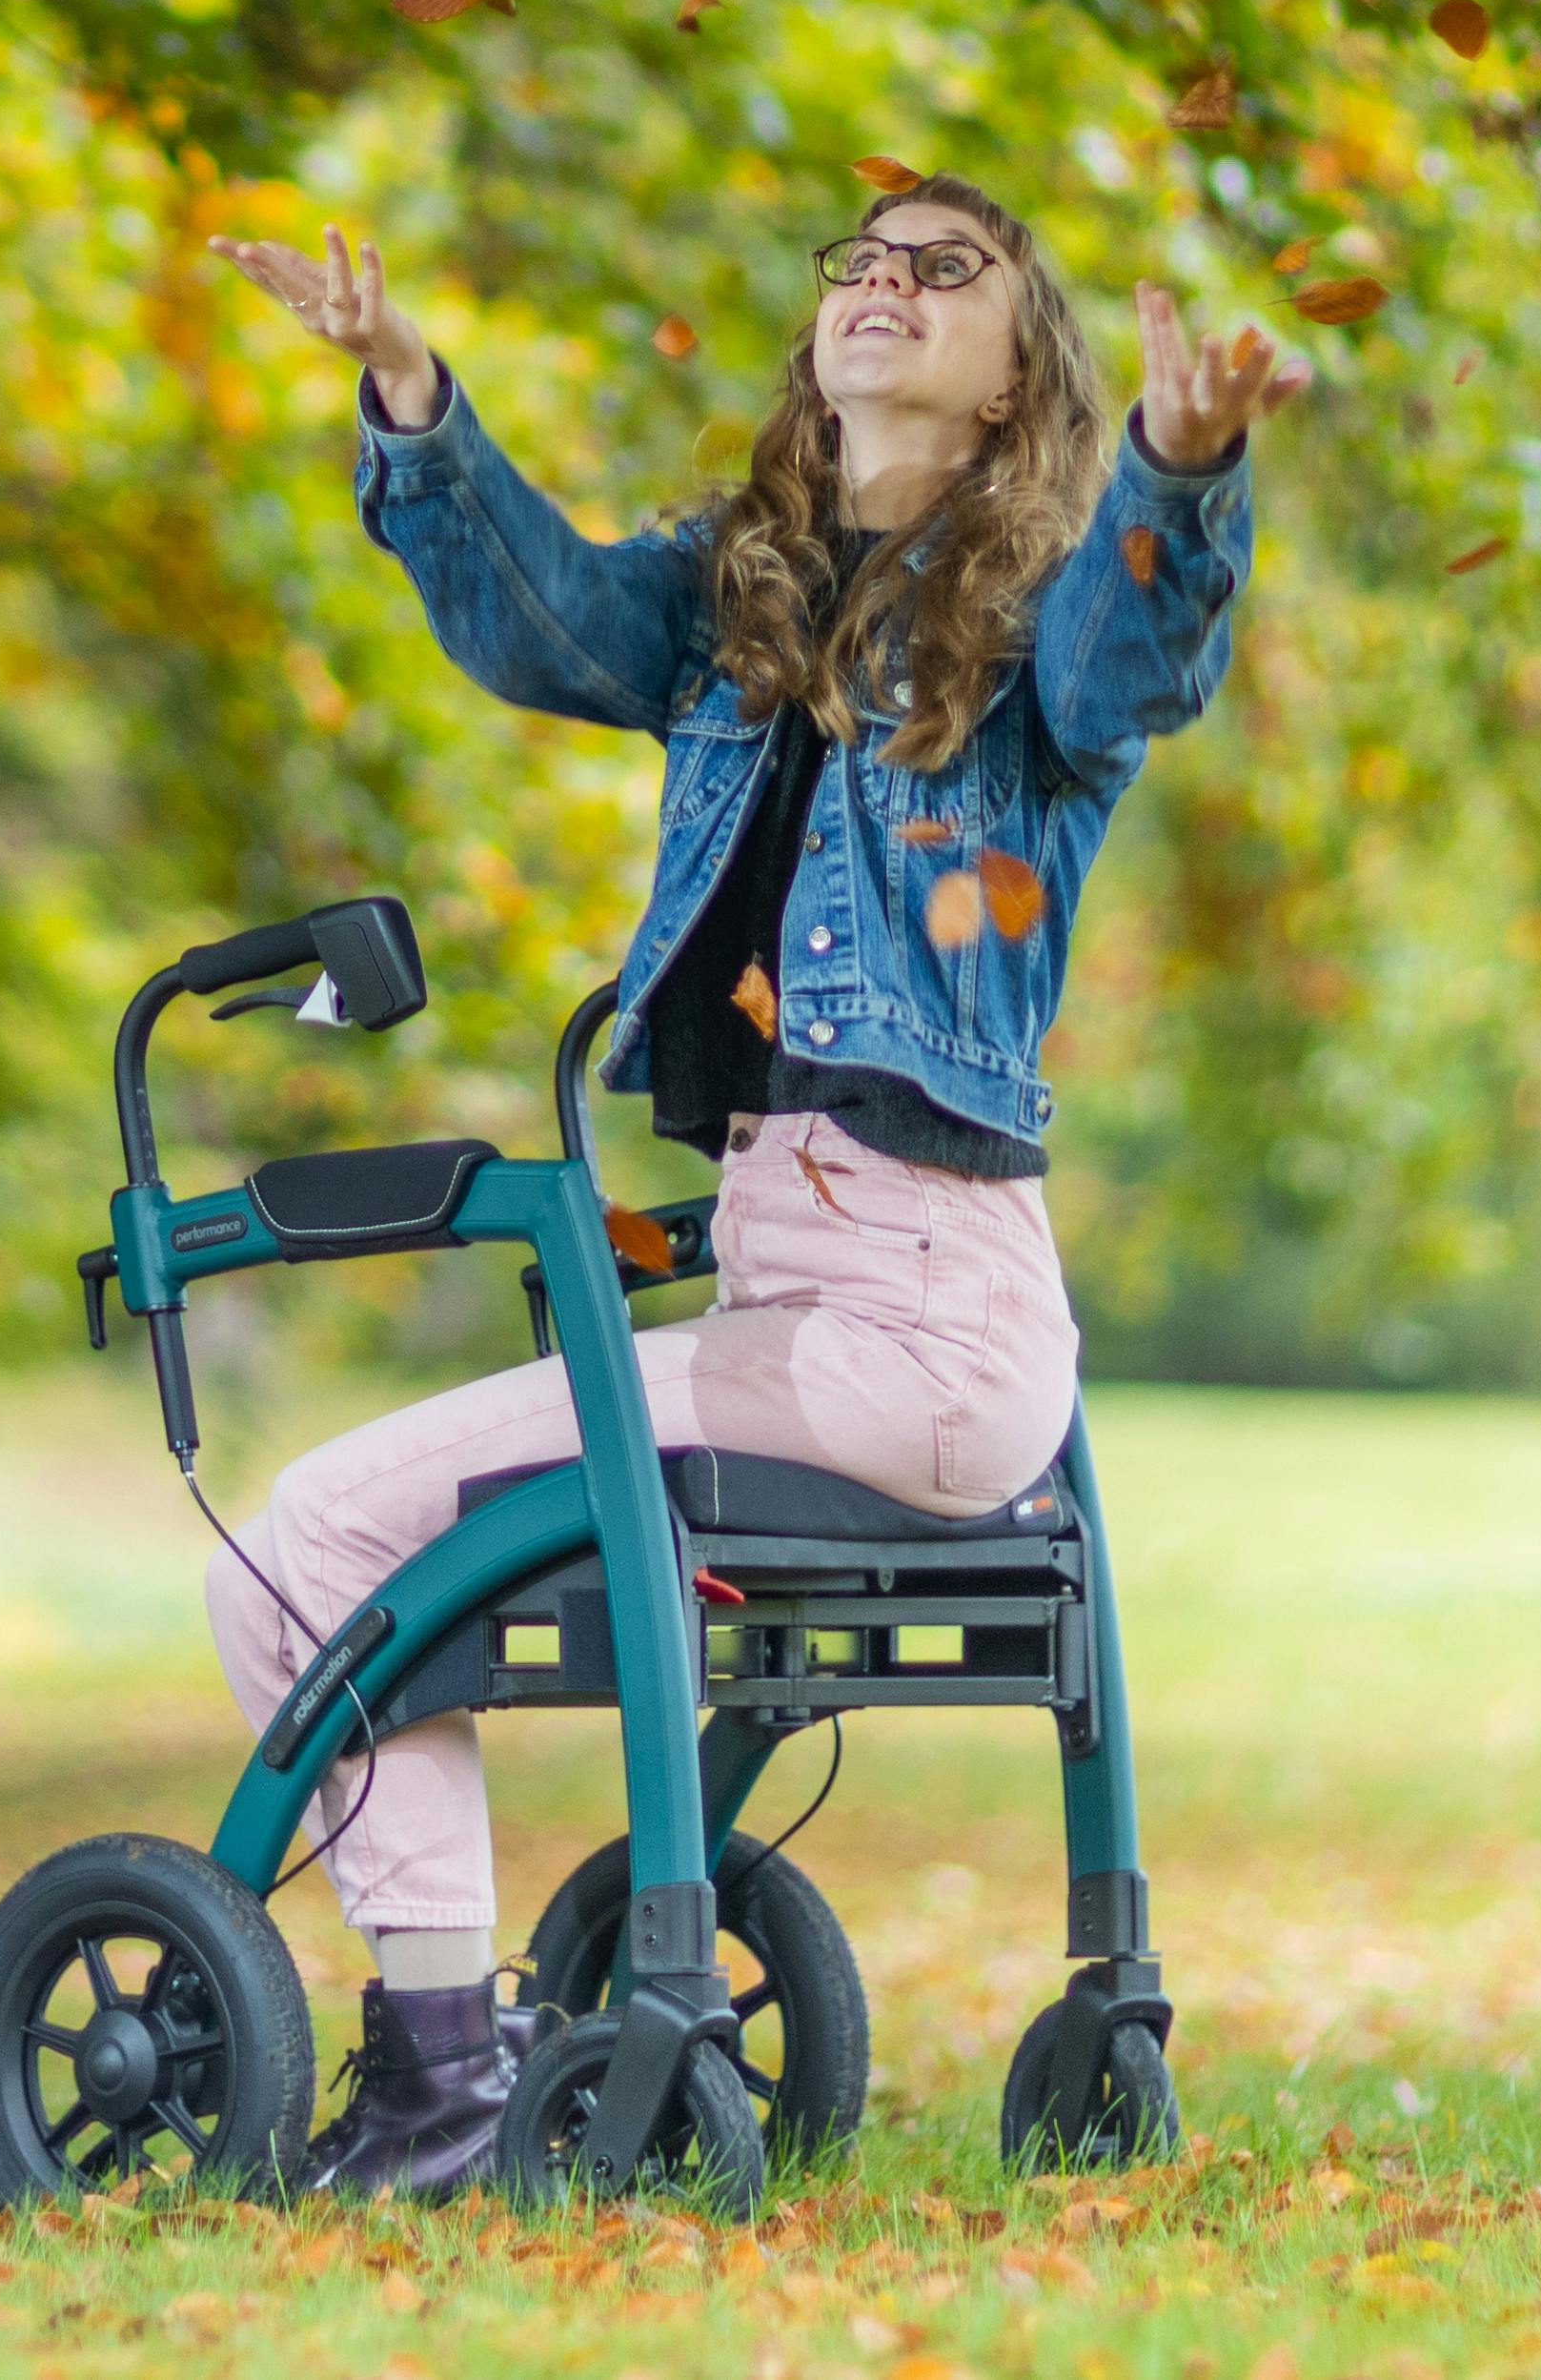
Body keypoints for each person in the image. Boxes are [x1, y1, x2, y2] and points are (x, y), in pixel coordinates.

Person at [200, 173, 1290, 2196]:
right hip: (867, 1316)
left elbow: (1136, 652)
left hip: (905, 1313)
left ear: (1002, 384)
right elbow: (533, 614)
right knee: (373, 1532)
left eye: (940, 269)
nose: (881, 282)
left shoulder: (1037, 617)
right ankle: (473, 2042)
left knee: (298, 1545)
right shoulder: (741, 609)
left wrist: (1186, 458)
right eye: (857, 261)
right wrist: (407, 388)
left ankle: (439, 2067)